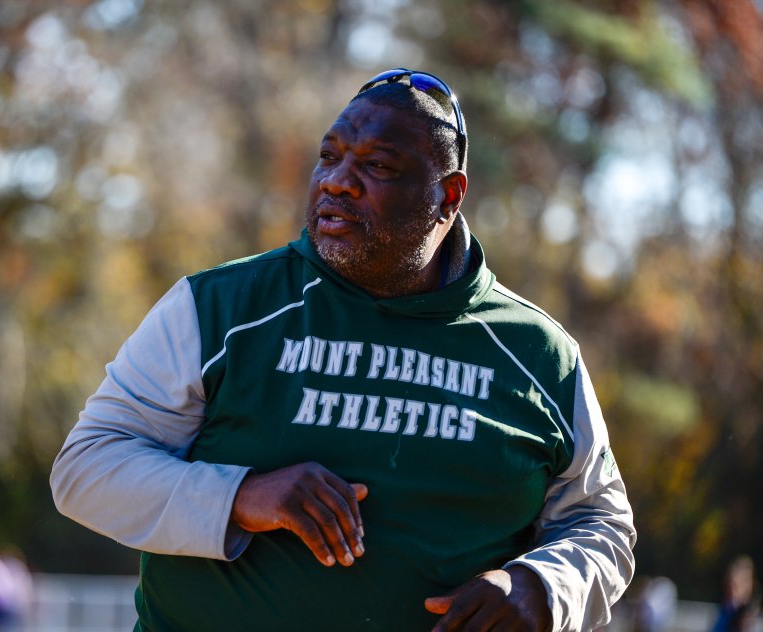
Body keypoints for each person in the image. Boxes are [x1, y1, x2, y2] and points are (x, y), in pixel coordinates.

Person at [50, 68, 635, 631]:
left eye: (377, 165)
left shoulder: (537, 354)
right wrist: (243, 496)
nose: (336, 181)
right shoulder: (219, 309)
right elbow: (86, 469)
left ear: (448, 196)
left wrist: (542, 588)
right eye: (329, 157)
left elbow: (601, 520)